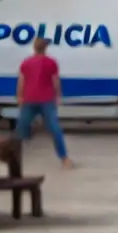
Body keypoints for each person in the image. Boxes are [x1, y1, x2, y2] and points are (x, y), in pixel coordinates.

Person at [15, 38, 72, 169]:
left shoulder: (26, 62)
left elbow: (21, 82)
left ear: (34, 48)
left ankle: (14, 157)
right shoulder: (51, 62)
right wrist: (58, 96)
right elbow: (55, 81)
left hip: (29, 99)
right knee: (55, 129)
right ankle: (64, 159)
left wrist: (19, 97)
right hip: (47, 100)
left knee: (21, 129)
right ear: (45, 48)